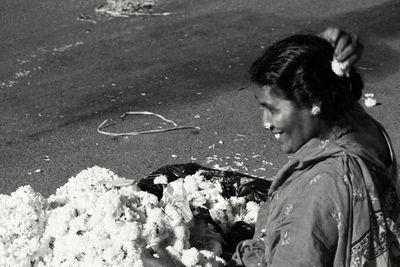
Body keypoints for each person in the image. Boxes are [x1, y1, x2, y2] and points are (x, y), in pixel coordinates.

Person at [143, 28, 400, 266]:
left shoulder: (320, 192)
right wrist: (320, 55)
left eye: (272, 109)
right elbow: (326, 77)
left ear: (315, 102)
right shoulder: (359, 124)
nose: (266, 123)